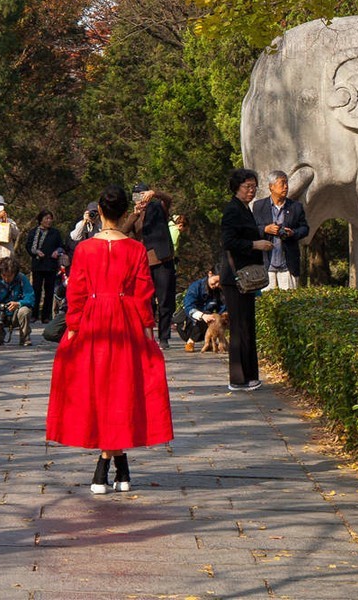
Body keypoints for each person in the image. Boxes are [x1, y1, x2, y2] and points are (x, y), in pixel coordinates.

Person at [46, 183, 173, 496]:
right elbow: (145, 294)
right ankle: (121, 464)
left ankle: (105, 465)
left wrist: (73, 329)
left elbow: (75, 293)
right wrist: (148, 334)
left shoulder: (85, 249)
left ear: (100, 212)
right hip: (126, 321)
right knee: (119, 391)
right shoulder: (136, 249)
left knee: (101, 392)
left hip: (93, 322)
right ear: (122, 213)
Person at [219, 168, 271, 393]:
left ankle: (250, 376)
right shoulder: (232, 210)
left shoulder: (244, 209)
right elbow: (228, 241)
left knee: (247, 326)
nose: (251, 191)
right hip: (236, 277)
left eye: (253, 187)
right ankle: (238, 378)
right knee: (239, 328)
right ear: (236, 187)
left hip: (246, 276)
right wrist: (254, 244)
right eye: (247, 187)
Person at [134, 186, 177, 348]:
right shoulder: (134, 214)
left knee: (165, 299)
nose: (140, 198)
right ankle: (147, 335)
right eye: (137, 195)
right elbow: (123, 231)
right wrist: (134, 214)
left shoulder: (158, 208)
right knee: (146, 301)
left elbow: (168, 199)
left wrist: (155, 193)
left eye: (143, 194)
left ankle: (164, 336)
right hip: (142, 262)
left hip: (162, 259)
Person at [252, 171, 310, 290]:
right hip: (266, 264)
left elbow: (305, 229)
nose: (286, 186)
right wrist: (265, 229)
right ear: (271, 187)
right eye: (282, 183)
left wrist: (293, 233)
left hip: (288, 265)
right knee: (266, 304)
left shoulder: (295, 206)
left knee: (290, 304)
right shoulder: (259, 206)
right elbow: (251, 230)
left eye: (287, 183)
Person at [24, 209, 65, 323]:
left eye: (50, 218)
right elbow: (28, 246)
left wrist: (57, 251)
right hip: (38, 265)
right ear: (40, 220)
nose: (49, 221)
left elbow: (61, 246)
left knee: (49, 291)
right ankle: (34, 314)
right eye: (46, 218)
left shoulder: (55, 233)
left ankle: (46, 316)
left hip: (50, 265)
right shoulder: (33, 232)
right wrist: (36, 252)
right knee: (36, 290)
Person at [0, 258, 35, 344]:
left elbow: (31, 298)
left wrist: (19, 303)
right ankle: (0, 338)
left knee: (25, 311)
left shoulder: (22, 279)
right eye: (4, 275)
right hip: (0, 314)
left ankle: (25, 337)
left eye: (9, 276)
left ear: (15, 273)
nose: (6, 278)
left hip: (17, 313)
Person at [174, 268, 227, 350]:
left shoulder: (219, 291)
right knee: (206, 315)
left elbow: (222, 309)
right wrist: (203, 315)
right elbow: (189, 307)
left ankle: (210, 342)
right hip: (188, 324)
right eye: (215, 281)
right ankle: (190, 341)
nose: (217, 285)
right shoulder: (196, 287)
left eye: (220, 282)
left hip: (205, 326)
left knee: (215, 318)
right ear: (210, 274)